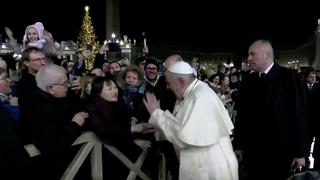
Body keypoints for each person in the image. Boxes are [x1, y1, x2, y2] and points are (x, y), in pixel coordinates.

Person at [143, 57, 238, 180]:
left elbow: (184, 138)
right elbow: (179, 126)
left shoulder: (200, 97)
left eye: (169, 83)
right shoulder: (188, 94)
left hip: (210, 169)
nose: (167, 87)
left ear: (181, 81)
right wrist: (156, 125)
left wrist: (157, 115)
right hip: (201, 165)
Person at [233, 39, 310, 180]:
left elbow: (300, 115)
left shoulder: (289, 78)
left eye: (252, 54)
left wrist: (300, 152)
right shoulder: (249, 79)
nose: (248, 58)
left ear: (267, 54)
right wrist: (238, 144)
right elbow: (242, 115)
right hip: (253, 153)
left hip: (280, 153)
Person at [31, 64, 88, 179]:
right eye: (65, 83)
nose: (69, 86)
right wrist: (75, 124)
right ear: (51, 88)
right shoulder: (40, 111)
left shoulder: (57, 98)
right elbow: (53, 148)